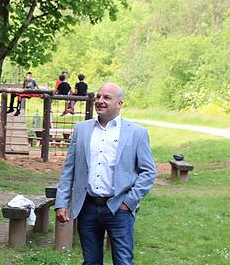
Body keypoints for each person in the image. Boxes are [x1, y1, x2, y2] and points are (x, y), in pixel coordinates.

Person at [54, 82, 156, 265]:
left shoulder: (137, 133)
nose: (100, 101)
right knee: (91, 261)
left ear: (120, 103)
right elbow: (69, 169)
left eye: (107, 98)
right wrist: (61, 202)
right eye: (99, 97)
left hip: (119, 208)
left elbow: (148, 172)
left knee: (123, 261)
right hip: (87, 207)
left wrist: (128, 202)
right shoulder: (82, 130)